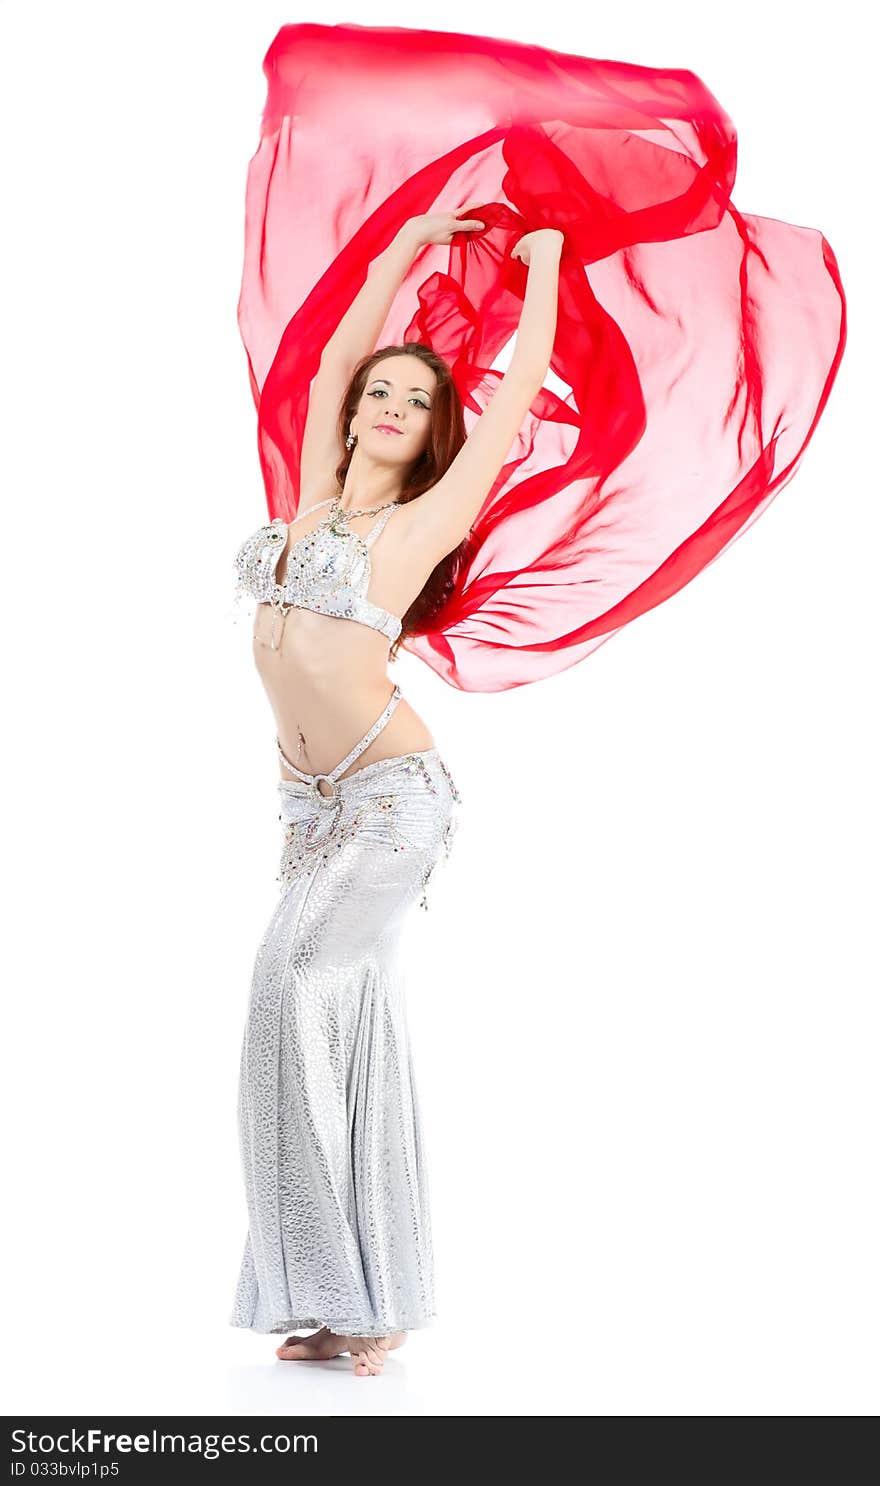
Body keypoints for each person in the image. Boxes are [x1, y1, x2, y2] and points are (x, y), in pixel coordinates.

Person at [230, 211, 565, 1377]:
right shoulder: (307, 496)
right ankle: (349, 1299)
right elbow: (329, 357)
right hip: (312, 808)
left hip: (389, 803)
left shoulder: (422, 521)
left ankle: (358, 1294)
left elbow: (518, 389)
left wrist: (545, 267)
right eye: (383, 389)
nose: (385, 404)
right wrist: (409, 240)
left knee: (286, 991)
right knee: (338, 1025)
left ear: (433, 435)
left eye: (415, 399)